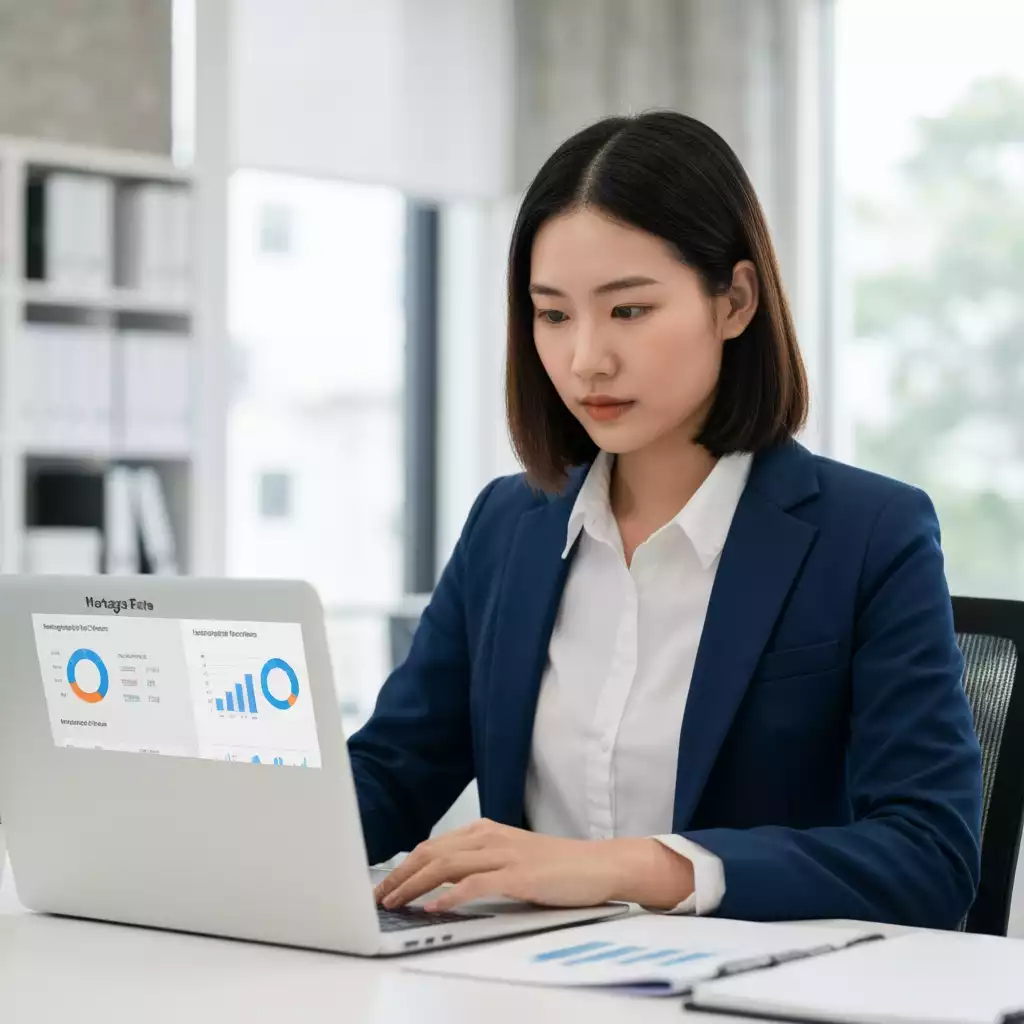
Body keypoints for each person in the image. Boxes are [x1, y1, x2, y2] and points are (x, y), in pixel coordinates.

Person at [349, 111, 982, 928]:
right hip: (512, 978)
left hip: (745, 980)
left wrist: (632, 866)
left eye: (629, 310)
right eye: (553, 315)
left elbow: (929, 856)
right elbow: (393, 773)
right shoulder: (509, 525)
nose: (586, 360)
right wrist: (230, 830)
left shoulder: (870, 535)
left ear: (735, 301)